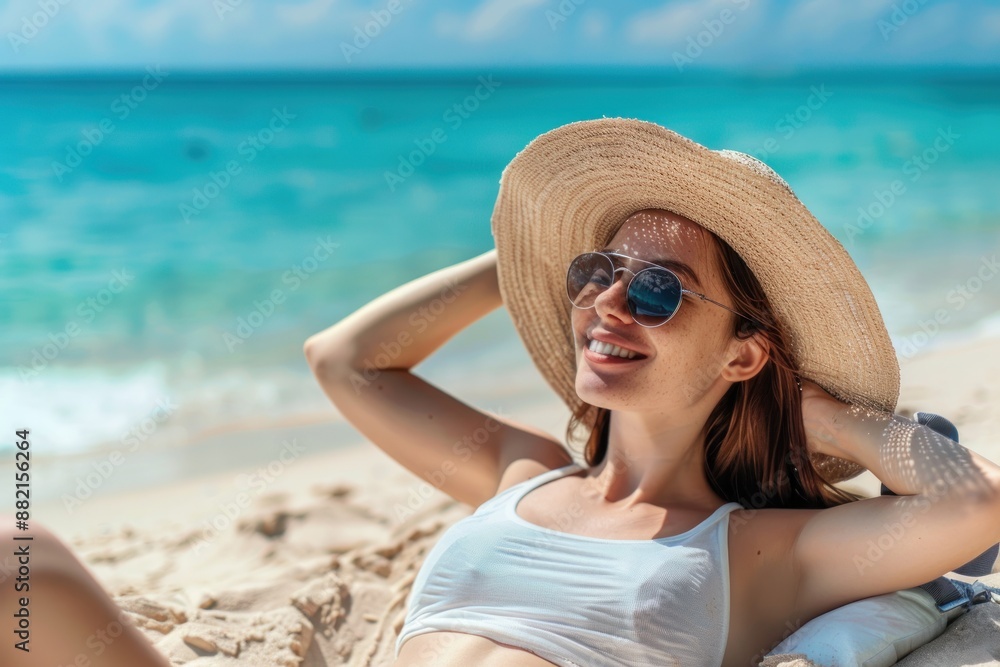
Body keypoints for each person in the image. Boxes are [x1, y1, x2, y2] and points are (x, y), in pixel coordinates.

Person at [303, 118, 1000, 667]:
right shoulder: (521, 470)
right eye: (597, 271)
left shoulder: (755, 548)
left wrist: (823, 414)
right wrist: (531, 255)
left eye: (656, 288)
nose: (607, 303)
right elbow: (344, 360)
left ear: (742, 353)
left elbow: (980, 501)